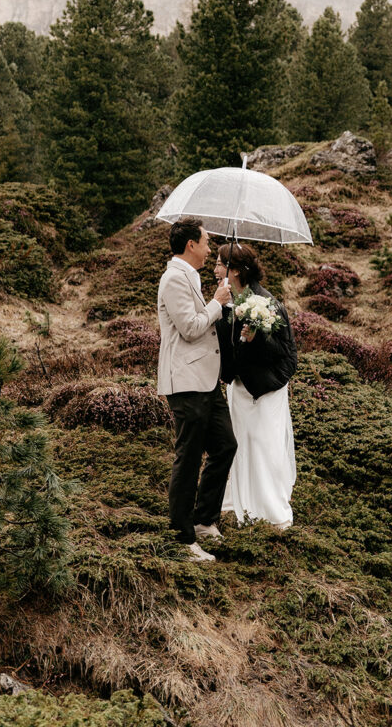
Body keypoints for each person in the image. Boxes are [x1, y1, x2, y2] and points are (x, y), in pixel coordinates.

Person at [157, 217, 236, 562]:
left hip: (206, 379)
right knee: (188, 459)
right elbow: (190, 328)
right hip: (186, 382)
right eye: (206, 242)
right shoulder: (174, 278)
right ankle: (182, 538)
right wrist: (217, 303)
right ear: (190, 244)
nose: (209, 249)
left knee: (225, 445)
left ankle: (205, 520)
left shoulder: (190, 277)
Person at [214, 243, 297, 529]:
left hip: (264, 392)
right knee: (239, 445)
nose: (214, 270)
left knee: (264, 446)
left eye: (219, 264)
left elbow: (285, 354)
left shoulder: (268, 303)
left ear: (234, 270)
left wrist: (255, 340)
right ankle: (239, 501)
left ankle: (269, 508)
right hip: (238, 388)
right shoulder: (225, 301)